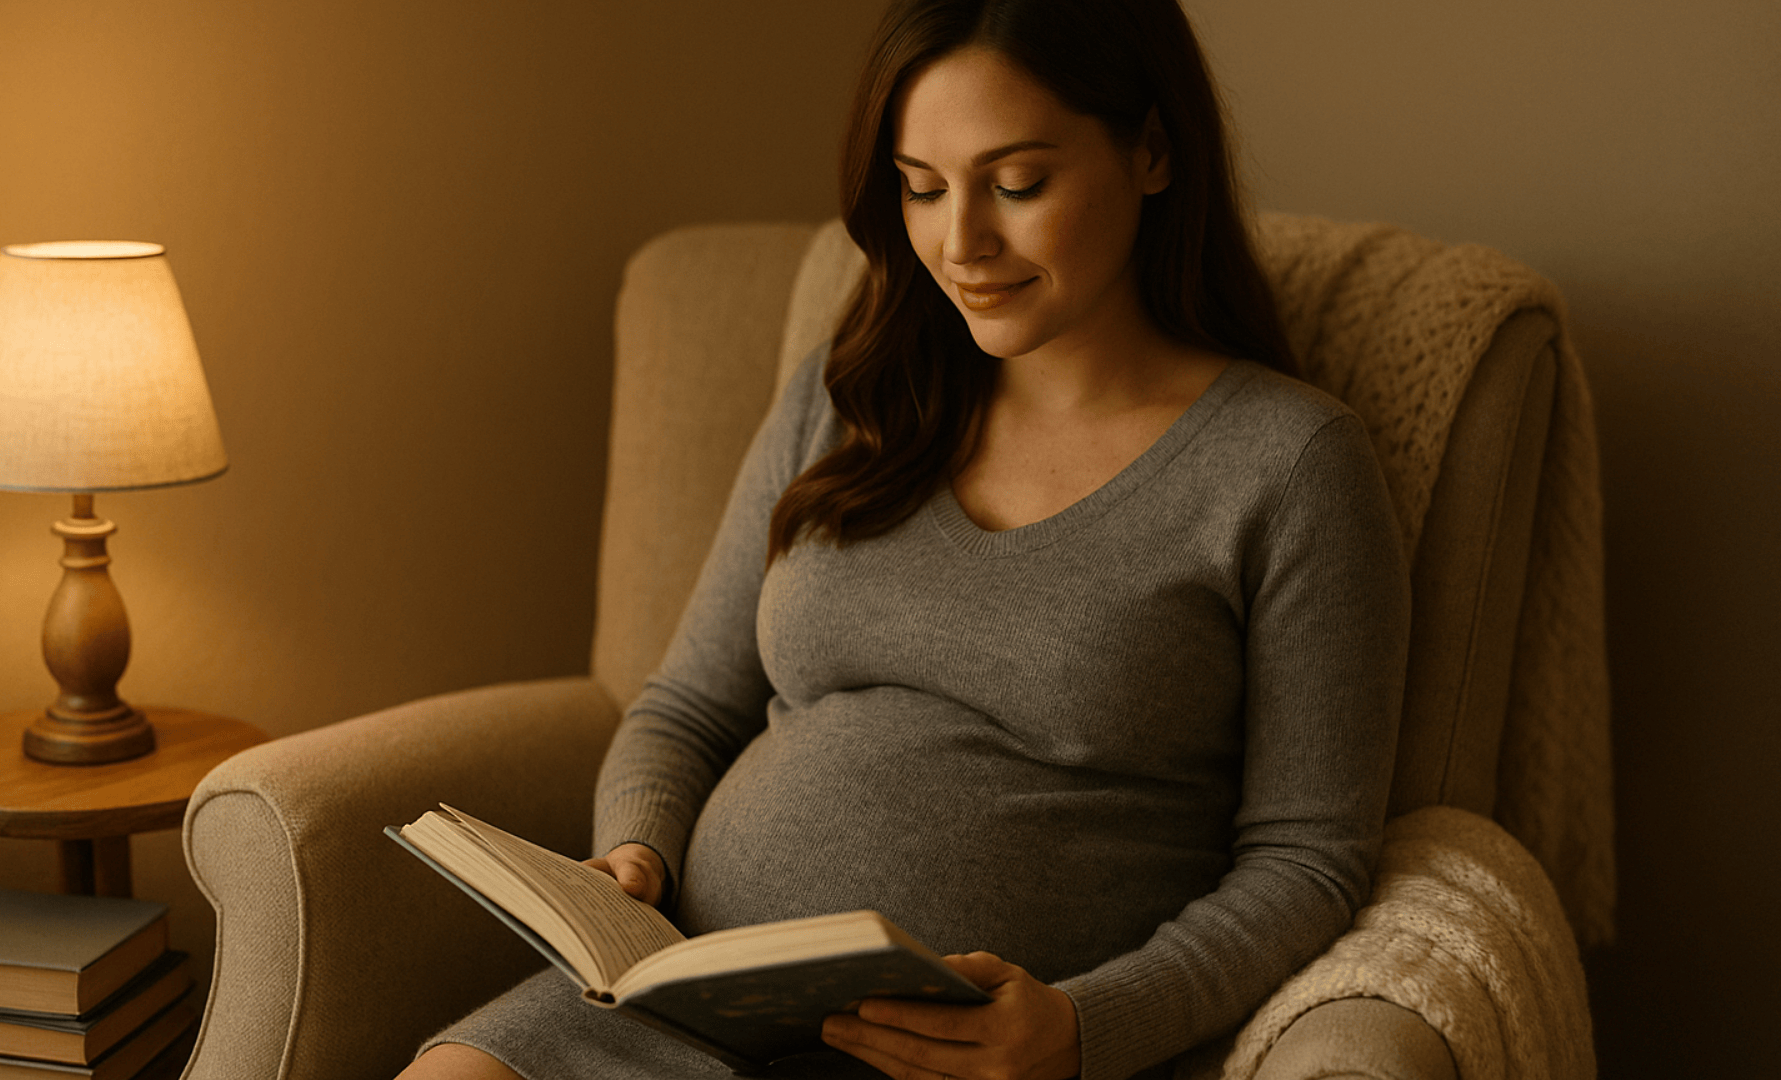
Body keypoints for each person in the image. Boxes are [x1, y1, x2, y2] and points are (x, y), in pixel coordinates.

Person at [400, 0, 1408, 1077]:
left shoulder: (1288, 464)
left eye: (1017, 184)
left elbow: (1308, 860)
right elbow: (688, 703)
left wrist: (1079, 1028)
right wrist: (636, 851)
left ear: (1152, 151)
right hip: (676, 1003)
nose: (960, 241)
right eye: (921, 187)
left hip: (960, 1058)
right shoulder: (854, 399)